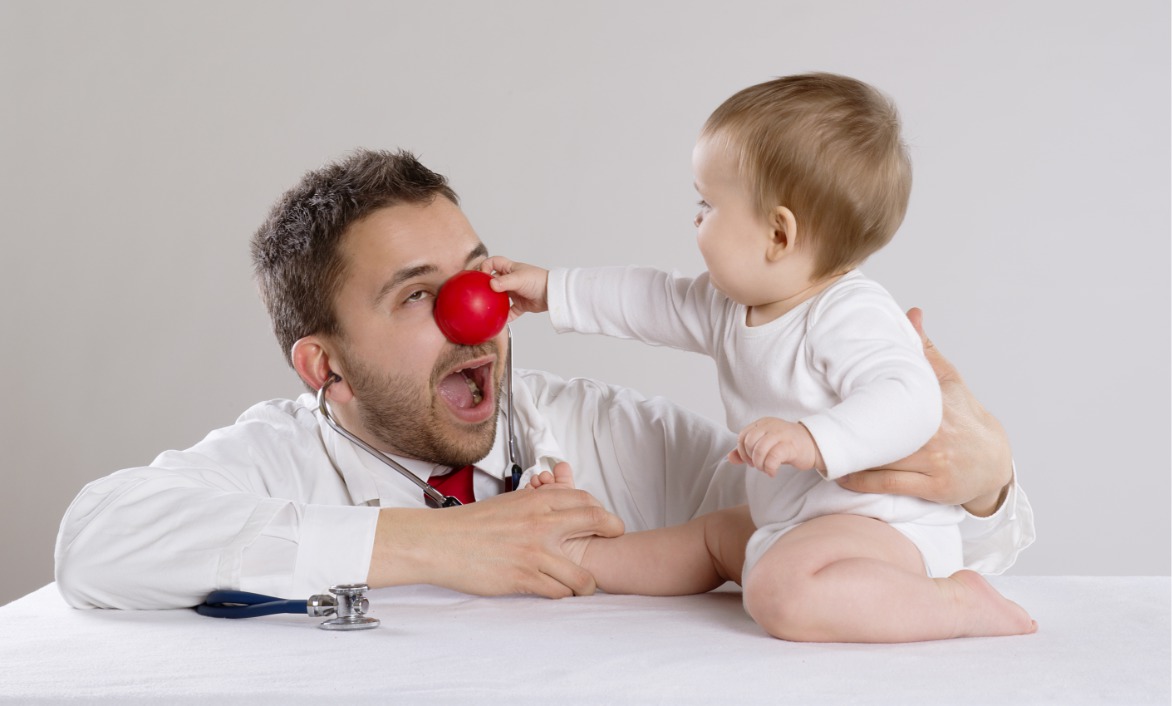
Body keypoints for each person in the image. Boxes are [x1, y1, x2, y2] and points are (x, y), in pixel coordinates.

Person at [54, 148, 1033, 611]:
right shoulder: (275, 457)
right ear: (325, 365)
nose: (475, 315)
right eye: (417, 296)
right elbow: (96, 542)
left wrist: (982, 491)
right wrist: (438, 545)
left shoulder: (617, 434)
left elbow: (839, 542)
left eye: (475, 275)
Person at [487, 73, 1036, 641]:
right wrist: (552, 289)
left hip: (882, 530)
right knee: (711, 537)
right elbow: (650, 298)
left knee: (779, 590)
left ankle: (955, 602)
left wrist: (811, 439)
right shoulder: (732, 305)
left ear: (778, 234)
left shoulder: (847, 312)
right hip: (795, 521)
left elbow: (910, 400)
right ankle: (580, 556)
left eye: (707, 204)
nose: (696, 218)